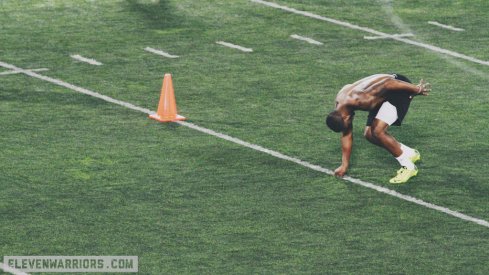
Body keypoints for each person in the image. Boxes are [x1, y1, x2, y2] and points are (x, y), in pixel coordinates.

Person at [325, 73, 431, 183]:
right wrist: (344, 165)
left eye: (348, 123)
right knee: (369, 134)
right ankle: (410, 153)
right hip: (382, 97)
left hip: (397, 89)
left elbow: (388, 82)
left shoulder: (359, 99)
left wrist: (416, 89)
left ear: (345, 118)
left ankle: (408, 167)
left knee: (377, 131)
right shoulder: (340, 110)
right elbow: (346, 135)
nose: (350, 123)